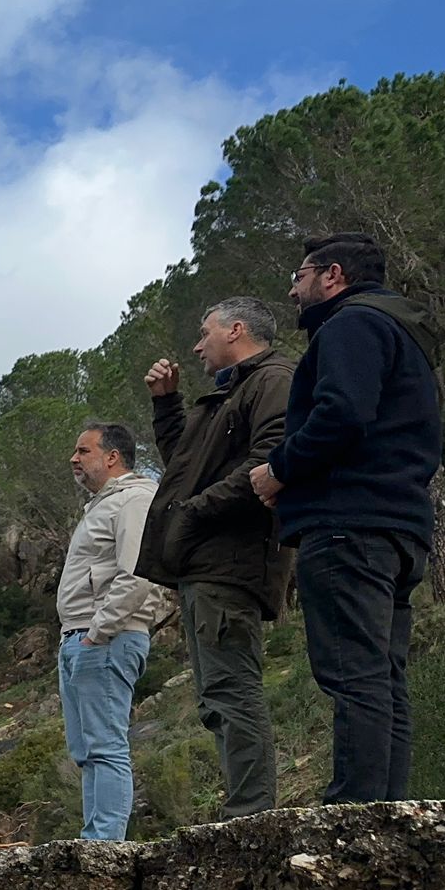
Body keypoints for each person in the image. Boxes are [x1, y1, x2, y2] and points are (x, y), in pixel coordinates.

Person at [248, 232, 442, 803]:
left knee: (353, 672)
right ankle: (384, 807)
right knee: (383, 677)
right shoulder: (404, 334)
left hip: (349, 524)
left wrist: (279, 468)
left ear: (333, 275)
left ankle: (353, 811)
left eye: (300, 275)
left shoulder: (351, 326)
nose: (292, 287)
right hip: (400, 526)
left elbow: (343, 413)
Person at [138, 297, 295, 819]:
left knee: (231, 691)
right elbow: (187, 463)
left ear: (237, 330)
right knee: (215, 698)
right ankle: (244, 812)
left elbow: (269, 460)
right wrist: (167, 403)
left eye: (205, 333)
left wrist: (192, 512)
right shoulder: (230, 394)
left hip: (231, 562)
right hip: (206, 564)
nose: (197, 345)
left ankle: (250, 815)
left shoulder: (273, 380)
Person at [57, 421, 166, 841]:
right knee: (87, 751)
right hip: (81, 638)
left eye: (83, 451)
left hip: (106, 638)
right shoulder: (102, 505)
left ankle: (104, 845)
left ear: (112, 457)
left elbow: (137, 574)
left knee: (104, 746)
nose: (74, 458)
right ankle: (96, 841)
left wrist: (98, 631)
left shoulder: (134, 500)